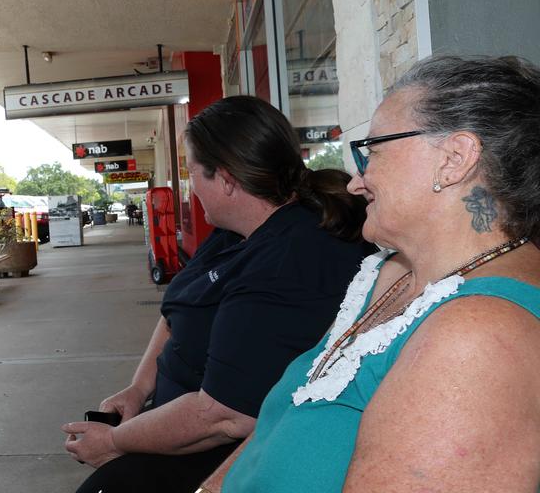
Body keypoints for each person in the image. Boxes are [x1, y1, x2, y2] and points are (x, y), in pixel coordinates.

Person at [199, 56, 540, 492]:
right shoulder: (388, 273)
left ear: (455, 159)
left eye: (373, 151)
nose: (356, 183)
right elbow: (278, 427)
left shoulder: (480, 336)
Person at [62, 95, 372, 493]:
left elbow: (226, 417)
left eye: (194, 174)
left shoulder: (292, 260)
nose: (192, 190)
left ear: (225, 180)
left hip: (227, 451)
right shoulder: (236, 231)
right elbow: (178, 310)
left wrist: (115, 441)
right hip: (179, 420)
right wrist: (140, 388)